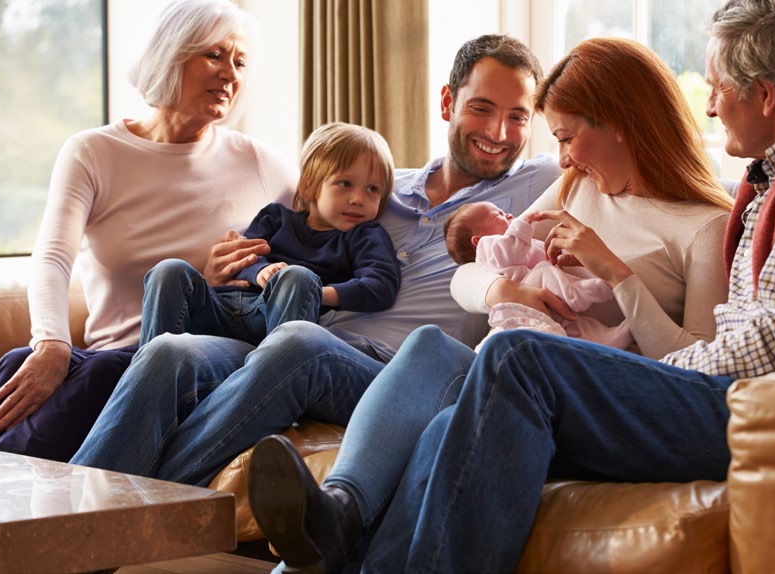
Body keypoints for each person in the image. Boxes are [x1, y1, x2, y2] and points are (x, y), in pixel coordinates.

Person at [248, 36, 743, 573]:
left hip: (588, 392)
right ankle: (337, 509)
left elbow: (698, 365)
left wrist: (616, 273)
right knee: (431, 346)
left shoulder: (705, 227)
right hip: (514, 364)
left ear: (619, 121)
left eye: (568, 137)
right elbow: (475, 266)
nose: (562, 158)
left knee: (441, 429)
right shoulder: (577, 188)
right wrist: (506, 291)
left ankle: (324, 541)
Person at [69, 35, 563, 487]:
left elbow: (614, 133)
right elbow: (288, 220)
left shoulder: (536, 185)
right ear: (447, 102)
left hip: (393, 371)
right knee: (168, 352)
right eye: (482, 108)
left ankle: (140, 506)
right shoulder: (378, 187)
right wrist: (226, 267)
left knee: (300, 343)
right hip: (289, 337)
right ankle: (52, 536)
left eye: (518, 116)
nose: (499, 132)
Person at [0, 0, 298, 462]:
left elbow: (327, 235)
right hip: (109, 355)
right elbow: (52, 257)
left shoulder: (262, 165)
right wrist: (51, 343)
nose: (230, 73)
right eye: (214, 55)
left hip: (192, 364)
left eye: (240, 61)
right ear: (170, 55)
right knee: (18, 364)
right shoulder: (93, 152)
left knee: (95, 376)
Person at [139, 122, 400, 347]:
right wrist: (260, 271)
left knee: (296, 277)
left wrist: (317, 292)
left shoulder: (365, 235)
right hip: (224, 309)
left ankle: (272, 374)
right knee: (169, 270)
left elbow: (381, 285)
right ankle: (147, 367)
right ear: (309, 187)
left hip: (276, 319)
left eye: (372, 190)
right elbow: (242, 259)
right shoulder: (275, 217)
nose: (358, 199)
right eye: (345, 184)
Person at [444, 201, 633, 350]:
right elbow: (512, 251)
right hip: (526, 296)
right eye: (498, 214)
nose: (508, 215)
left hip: (550, 309)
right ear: (478, 240)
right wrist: (522, 223)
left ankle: (623, 333)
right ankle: (578, 293)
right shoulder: (489, 249)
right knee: (543, 270)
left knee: (585, 331)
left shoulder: (521, 240)